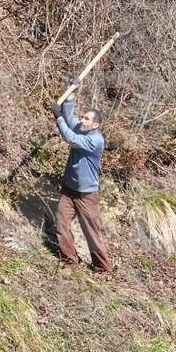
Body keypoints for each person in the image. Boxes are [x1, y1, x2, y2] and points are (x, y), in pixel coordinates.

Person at [52, 88, 112, 275]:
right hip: (69, 191)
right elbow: (70, 119)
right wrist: (71, 94)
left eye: (86, 119)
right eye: (83, 117)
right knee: (61, 226)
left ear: (95, 125)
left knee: (92, 233)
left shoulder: (95, 140)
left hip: (87, 195)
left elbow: (70, 137)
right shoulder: (82, 128)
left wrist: (58, 118)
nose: (82, 120)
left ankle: (103, 269)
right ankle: (70, 261)